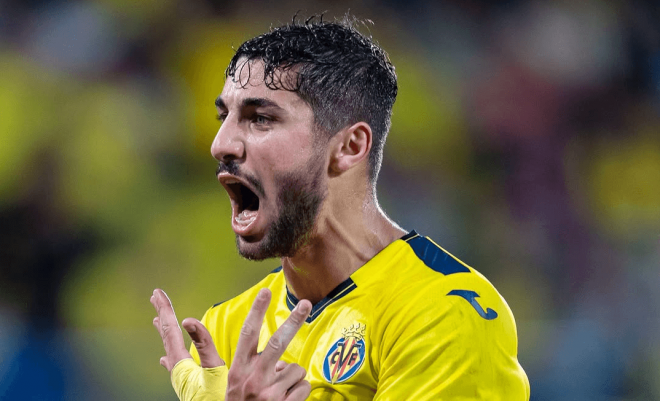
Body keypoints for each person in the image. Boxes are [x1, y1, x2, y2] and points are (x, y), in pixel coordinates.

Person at [151, 15, 530, 400]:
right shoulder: (229, 329)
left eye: (260, 118)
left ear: (349, 148)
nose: (220, 144)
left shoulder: (445, 314)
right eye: (224, 116)